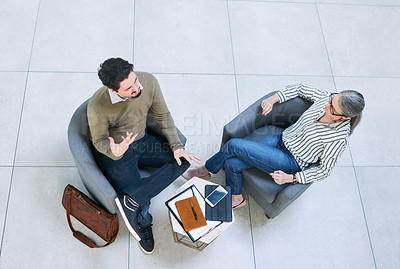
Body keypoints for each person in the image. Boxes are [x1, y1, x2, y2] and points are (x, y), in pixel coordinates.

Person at [183, 84, 365, 209]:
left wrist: (292, 178)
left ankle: (204, 171)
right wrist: (273, 99)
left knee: (233, 145)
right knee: (231, 164)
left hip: (292, 161)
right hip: (281, 138)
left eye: (332, 108)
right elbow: (300, 88)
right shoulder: (326, 99)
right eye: (331, 99)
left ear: (344, 118)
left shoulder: (338, 139)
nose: (326, 105)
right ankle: (237, 199)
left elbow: (324, 170)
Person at [87, 58, 200, 254]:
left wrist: (176, 146)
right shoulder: (98, 106)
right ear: (114, 91)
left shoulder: (148, 82)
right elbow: (99, 142)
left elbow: (163, 115)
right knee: (143, 199)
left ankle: (131, 200)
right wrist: (113, 151)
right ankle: (143, 222)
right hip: (117, 154)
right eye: (129, 88)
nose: (137, 88)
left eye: (135, 80)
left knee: (182, 160)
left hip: (143, 141)